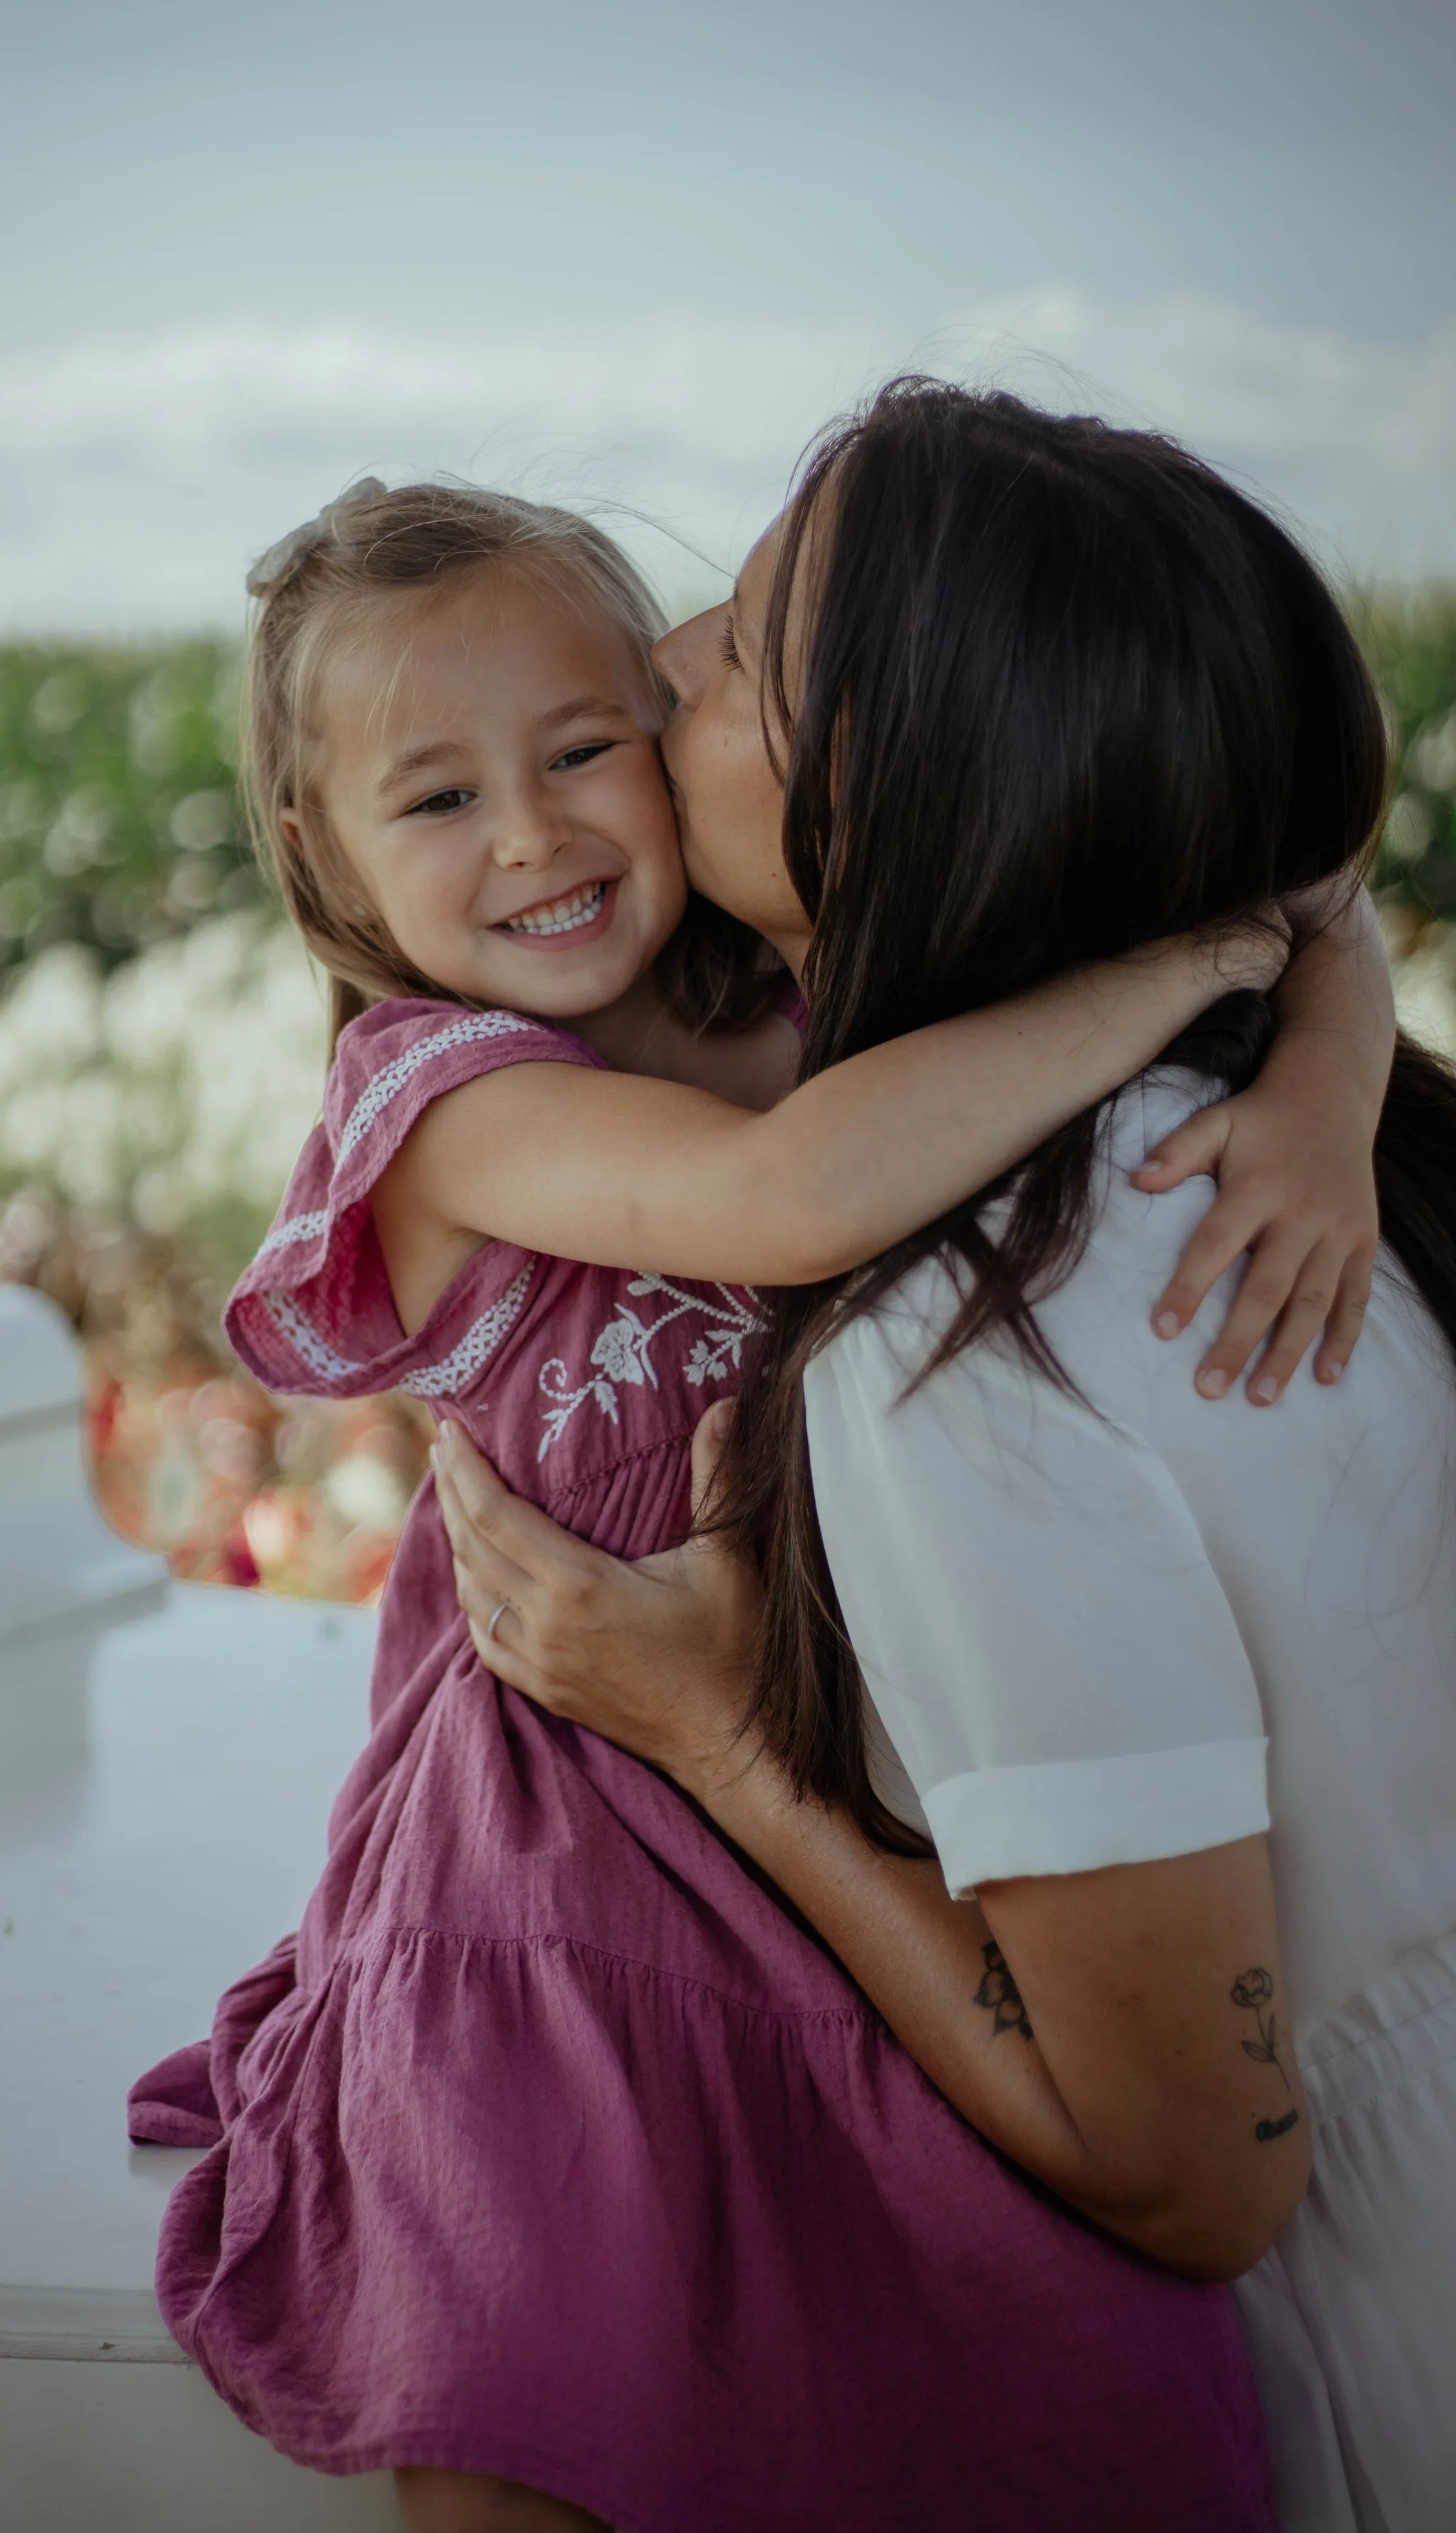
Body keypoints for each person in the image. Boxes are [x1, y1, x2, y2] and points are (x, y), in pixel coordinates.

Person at [131, 475, 1380, 2533]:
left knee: (1066, 2348)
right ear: (319, 852)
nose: (531, 835)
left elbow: (1303, 859)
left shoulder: (780, 986)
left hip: (853, 1783)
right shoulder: (437, 1105)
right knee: (537, 2332)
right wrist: (1184, 974)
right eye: (434, 799)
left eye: (580, 748)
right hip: (567, 1825)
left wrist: (1315, 1073)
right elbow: (787, 1200)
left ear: (659, 719)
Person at [431, 387, 1455, 2533]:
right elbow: (1306, 870)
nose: (665, 657)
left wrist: (716, 1732)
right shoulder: (1355, 1140)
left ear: (904, 802)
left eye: (745, 657)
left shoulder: (954, 1346)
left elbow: (1192, 2168)